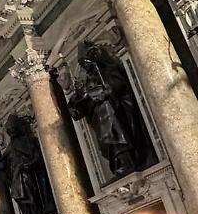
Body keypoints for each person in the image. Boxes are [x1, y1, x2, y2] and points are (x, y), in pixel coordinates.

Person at [62, 42, 153, 177]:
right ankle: (118, 164)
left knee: (116, 135)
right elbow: (79, 104)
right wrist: (83, 99)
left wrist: (105, 92)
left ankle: (127, 161)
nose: (85, 66)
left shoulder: (108, 70)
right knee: (106, 142)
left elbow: (119, 85)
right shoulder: (88, 81)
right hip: (98, 118)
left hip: (113, 112)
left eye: (86, 62)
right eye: (82, 64)